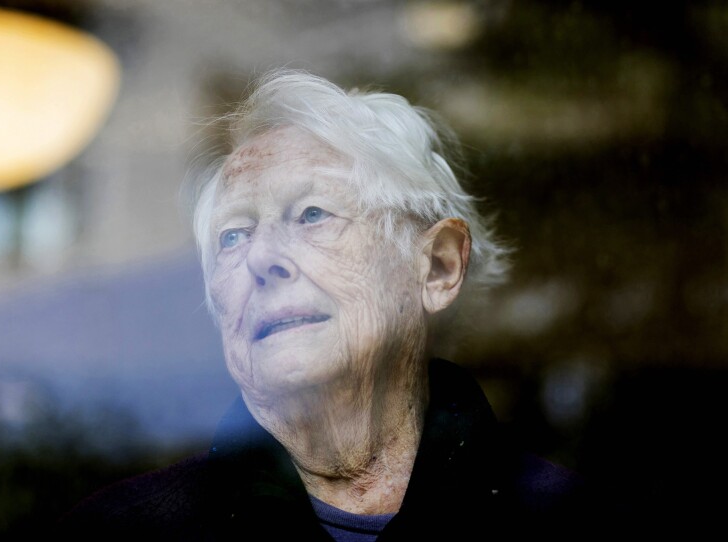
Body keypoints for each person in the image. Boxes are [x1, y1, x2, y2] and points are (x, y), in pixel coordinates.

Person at [59, 69, 598, 539]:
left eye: (312, 214)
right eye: (233, 236)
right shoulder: (117, 538)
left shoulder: (580, 529)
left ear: (437, 267)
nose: (260, 258)